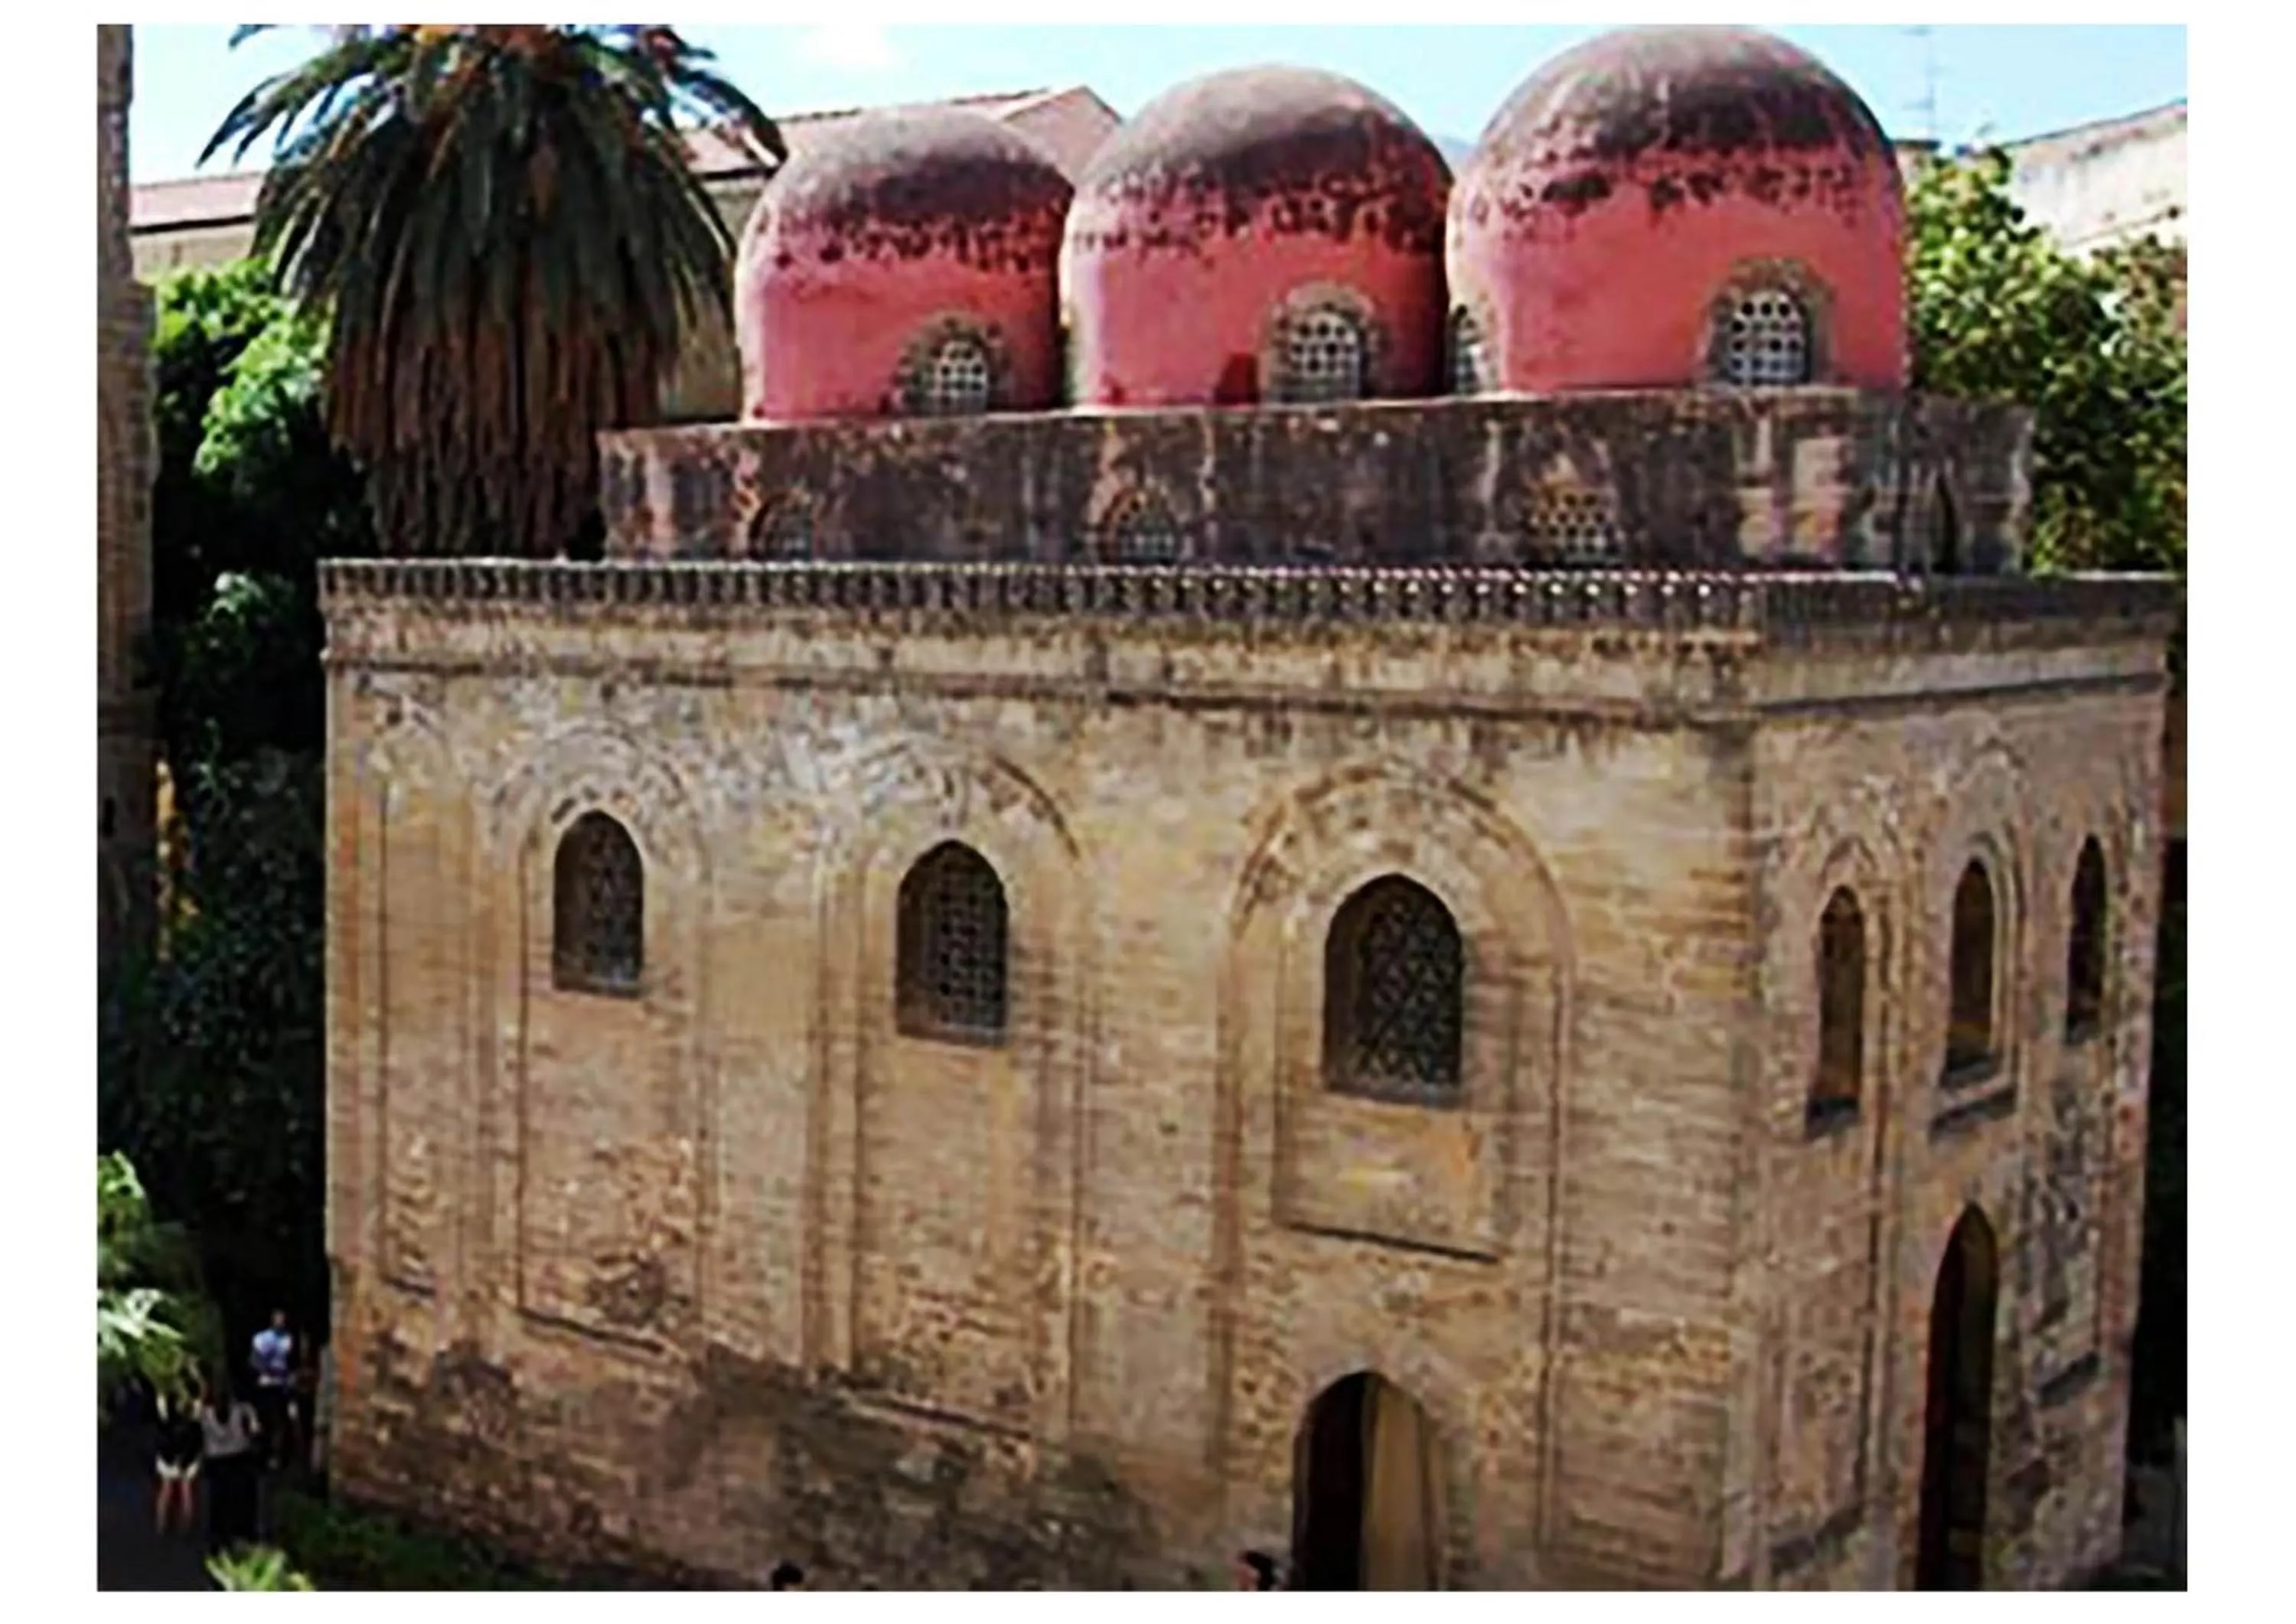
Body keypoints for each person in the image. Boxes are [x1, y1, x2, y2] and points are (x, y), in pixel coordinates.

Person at [153, 1377, 205, 1537]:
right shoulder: (193, 1418)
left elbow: (160, 1399)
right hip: (185, 1454)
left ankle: (162, 1525)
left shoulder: (168, 1417)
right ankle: (183, 1527)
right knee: (184, 1490)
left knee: (168, 1490)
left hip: (170, 1453)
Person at [249, 1311, 295, 1470]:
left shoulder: (288, 1339)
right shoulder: (261, 1339)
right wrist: (269, 1369)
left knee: (281, 1422)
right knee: (266, 1422)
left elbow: (289, 1362)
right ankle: (263, 1456)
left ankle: (278, 1457)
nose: (281, 1322)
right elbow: (255, 1361)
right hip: (266, 1384)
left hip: (281, 1386)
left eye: (283, 1319)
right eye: (278, 1319)